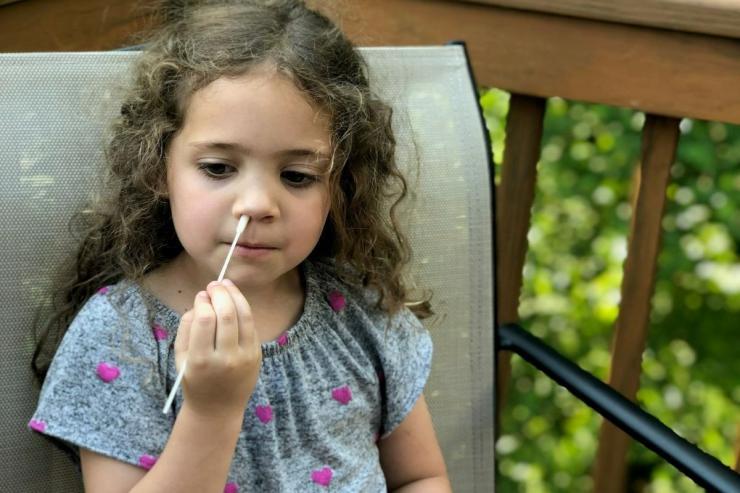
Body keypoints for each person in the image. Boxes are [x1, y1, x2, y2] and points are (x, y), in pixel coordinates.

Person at [28, 1, 450, 491]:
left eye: (296, 176)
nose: (255, 205)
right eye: (218, 168)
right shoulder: (120, 337)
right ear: (156, 166)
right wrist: (212, 410)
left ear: (339, 185)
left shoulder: (363, 314)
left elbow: (420, 476)